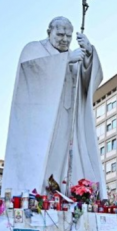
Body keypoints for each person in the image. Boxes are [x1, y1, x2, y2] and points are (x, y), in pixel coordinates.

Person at [1, 17, 107, 198]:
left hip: (68, 119)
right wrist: (65, 59)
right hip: (43, 123)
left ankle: (68, 194)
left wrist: (89, 54)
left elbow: (88, 81)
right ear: (48, 32)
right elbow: (32, 73)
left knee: (66, 161)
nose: (65, 39)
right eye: (60, 34)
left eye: (68, 35)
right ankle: (39, 196)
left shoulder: (75, 55)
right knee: (45, 160)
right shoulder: (34, 49)